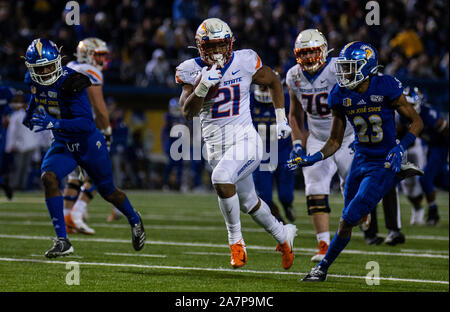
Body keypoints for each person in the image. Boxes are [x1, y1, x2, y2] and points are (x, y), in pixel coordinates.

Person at [289, 41, 423, 281]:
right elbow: (333, 141)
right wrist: (312, 158)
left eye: (351, 68)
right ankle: (363, 213)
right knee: (353, 217)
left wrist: (400, 147)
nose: (345, 73)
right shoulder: (340, 94)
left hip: (382, 162)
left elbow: (416, 122)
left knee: (346, 219)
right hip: (360, 157)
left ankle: (321, 269)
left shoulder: (386, 86)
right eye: (344, 67)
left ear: (366, 67)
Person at [175, 18, 297, 269]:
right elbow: (188, 113)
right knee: (250, 202)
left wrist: (281, 118)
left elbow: (274, 80)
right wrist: (201, 87)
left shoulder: (244, 60)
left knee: (221, 178)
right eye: (211, 46)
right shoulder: (190, 69)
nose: (218, 52)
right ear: (200, 47)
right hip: (215, 147)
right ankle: (284, 236)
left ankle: (236, 243)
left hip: (246, 140)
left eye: (222, 45)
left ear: (230, 44)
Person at [23, 38, 146, 258]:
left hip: (88, 143)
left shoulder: (73, 81)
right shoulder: (33, 80)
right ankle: (63, 240)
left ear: (58, 62)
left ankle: (134, 219)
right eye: (40, 68)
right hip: (63, 144)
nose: (46, 71)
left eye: (50, 66)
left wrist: (55, 123)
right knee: (48, 178)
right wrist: (30, 115)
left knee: (108, 191)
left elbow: (86, 123)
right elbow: (36, 96)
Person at [286, 29, 355, 262]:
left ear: (324, 50)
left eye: (312, 52)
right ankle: (324, 243)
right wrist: (297, 143)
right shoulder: (293, 75)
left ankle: (363, 215)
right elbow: (294, 115)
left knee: (353, 187)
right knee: (314, 186)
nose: (307, 58)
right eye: (303, 53)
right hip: (317, 136)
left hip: (347, 135)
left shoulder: (339, 68)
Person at [62, 37, 112, 235]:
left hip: (66, 129)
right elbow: (99, 109)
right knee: (98, 174)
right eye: (99, 55)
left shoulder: (69, 66)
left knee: (75, 177)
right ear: (87, 54)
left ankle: (66, 219)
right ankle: (76, 214)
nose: (102, 60)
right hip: (85, 130)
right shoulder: (91, 71)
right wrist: (107, 130)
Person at [400, 86, 449, 226]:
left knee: (426, 179)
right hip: (432, 146)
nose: (407, 109)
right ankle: (433, 212)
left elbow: (446, 129)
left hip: (441, 147)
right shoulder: (404, 118)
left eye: (410, 105)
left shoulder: (428, 114)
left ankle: (433, 214)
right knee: (440, 181)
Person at [251, 84, 295, 224]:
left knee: (286, 195)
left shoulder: (286, 99)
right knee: (264, 195)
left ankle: (287, 205)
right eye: (264, 87)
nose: (266, 90)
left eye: (269, 88)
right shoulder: (249, 100)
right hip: (260, 155)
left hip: (283, 151)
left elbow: (296, 120)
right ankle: (279, 221)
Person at [5, 90, 41, 190]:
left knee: (26, 169)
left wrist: (36, 152)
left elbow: (36, 134)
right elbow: (12, 132)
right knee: (17, 167)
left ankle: (22, 187)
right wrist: (10, 146)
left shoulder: (35, 116)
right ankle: (13, 186)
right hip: (19, 146)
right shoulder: (16, 116)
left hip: (31, 146)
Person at [161, 97, 186, 191]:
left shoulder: (181, 117)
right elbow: (165, 132)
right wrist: (165, 146)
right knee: (170, 165)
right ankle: (166, 183)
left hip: (180, 143)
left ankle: (177, 185)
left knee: (180, 166)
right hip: (172, 143)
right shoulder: (168, 117)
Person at [0, 85, 13, 199]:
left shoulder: (5, 91)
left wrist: (7, 116)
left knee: (3, 160)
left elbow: (9, 108)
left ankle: (3, 181)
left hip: (3, 132)